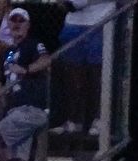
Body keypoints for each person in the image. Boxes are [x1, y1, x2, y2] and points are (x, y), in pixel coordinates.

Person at [0, 7, 50, 161]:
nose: (16, 24)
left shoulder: (33, 44)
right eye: (13, 21)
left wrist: (26, 69)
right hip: (14, 110)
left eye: (20, 21)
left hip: (31, 108)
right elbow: (3, 85)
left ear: (28, 25)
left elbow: (46, 60)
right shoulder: (8, 51)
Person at [49, 0, 115, 135]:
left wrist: (81, 3)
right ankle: (74, 121)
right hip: (73, 23)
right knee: (72, 76)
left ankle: (98, 120)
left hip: (101, 21)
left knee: (96, 74)